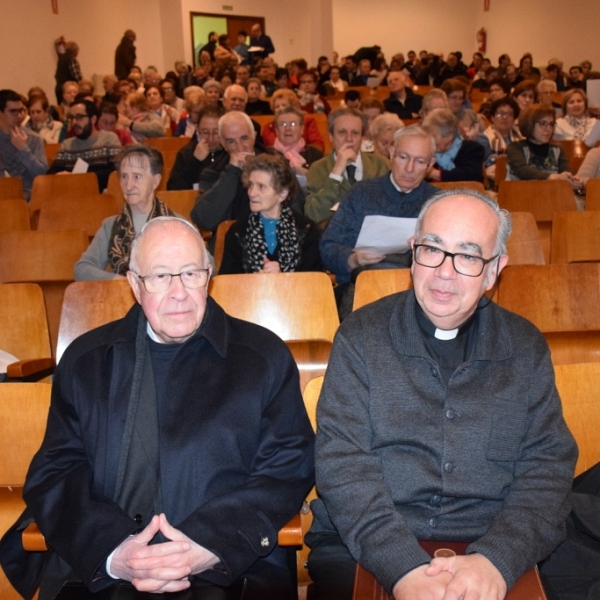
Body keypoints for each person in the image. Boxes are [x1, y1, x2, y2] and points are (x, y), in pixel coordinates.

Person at [1, 215, 314, 600]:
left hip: (229, 567)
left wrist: (208, 544)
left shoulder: (262, 356)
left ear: (209, 275)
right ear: (134, 283)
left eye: (190, 274)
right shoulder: (86, 361)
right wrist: (115, 552)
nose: (179, 292)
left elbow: (288, 466)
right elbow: (58, 469)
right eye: (160, 277)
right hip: (101, 571)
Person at [306, 187, 577, 600]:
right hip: (364, 545)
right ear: (413, 252)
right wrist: (402, 567)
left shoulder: (525, 346)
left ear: (494, 269)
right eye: (432, 249)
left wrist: (496, 559)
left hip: (493, 545)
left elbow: (546, 469)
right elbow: (343, 467)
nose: (444, 273)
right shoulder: (360, 336)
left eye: (468, 256)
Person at [320, 124, 438, 285]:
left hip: (416, 290)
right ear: (391, 154)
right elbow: (328, 247)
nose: (409, 168)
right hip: (361, 286)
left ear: (430, 164)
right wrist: (352, 259)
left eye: (419, 161)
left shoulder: (437, 203)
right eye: (403, 157)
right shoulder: (361, 193)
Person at [74, 146, 176, 280]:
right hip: (122, 298)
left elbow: (206, 263)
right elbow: (81, 270)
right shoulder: (110, 226)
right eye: (124, 177)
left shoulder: (176, 225)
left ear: (155, 181)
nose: (128, 186)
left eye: (137, 177)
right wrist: (119, 281)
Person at [220, 153, 321, 274]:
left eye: (261, 187)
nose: (252, 193)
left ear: (282, 194)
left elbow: (313, 282)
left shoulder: (306, 229)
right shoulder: (237, 232)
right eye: (251, 185)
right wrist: (253, 281)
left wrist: (282, 277)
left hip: (294, 293)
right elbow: (227, 283)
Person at [305, 107, 390, 224]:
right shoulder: (318, 168)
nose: (349, 139)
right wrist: (336, 173)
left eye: (355, 133)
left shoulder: (381, 165)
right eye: (342, 132)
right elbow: (314, 214)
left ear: (362, 138)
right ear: (330, 136)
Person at [48, 98, 122, 191]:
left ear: (93, 119)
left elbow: (115, 173)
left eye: (79, 117)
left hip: (101, 198)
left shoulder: (109, 139)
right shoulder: (67, 145)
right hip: (73, 199)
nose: (74, 122)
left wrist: (79, 179)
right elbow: (51, 175)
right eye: (72, 118)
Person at [507, 105, 583, 192]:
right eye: (543, 124)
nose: (549, 129)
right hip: (522, 197)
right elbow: (522, 171)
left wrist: (572, 181)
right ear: (529, 124)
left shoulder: (557, 149)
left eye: (551, 124)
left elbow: (565, 173)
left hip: (553, 198)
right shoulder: (516, 147)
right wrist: (552, 176)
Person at [0, 89, 48, 200]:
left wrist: (23, 150)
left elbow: (43, 174)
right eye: (13, 112)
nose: (20, 116)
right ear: (1, 113)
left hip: (29, 196)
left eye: (21, 110)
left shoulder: (33, 138)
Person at [167, 105, 225, 191]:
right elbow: (173, 190)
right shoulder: (186, 152)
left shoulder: (231, 152)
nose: (211, 138)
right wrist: (195, 161)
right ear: (197, 129)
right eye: (205, 132)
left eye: (216, 132)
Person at [422, 108, 485, 183]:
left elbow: (473, 176)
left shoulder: (472, 148)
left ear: (449, 136)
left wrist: (434, 173)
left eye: (434, 136)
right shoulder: (426, 153)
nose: (430, 140)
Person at [272, 106, 323, 191]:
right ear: (276, 130)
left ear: (302, 129)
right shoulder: (268, 155)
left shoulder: (315, 155)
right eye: (283, 124)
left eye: (292, 124)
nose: (287, 129)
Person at [483, 97, 522, 182]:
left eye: (509, 114)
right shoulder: (484, 138)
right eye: (500, 114)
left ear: (514, 119)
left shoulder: (522, 137)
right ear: (492, 118)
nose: (504, 117)